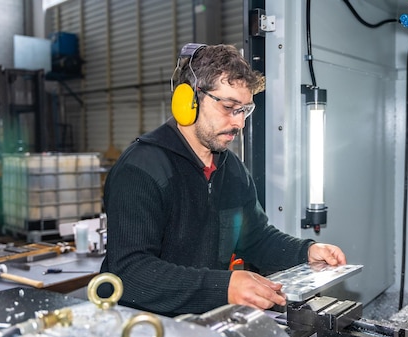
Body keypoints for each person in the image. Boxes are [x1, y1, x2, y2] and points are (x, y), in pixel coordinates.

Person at [100, 43, 346, 317]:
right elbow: (130, 274)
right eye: (229, 107)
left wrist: (305, 252)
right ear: (189, 101)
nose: (239, 123)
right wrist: (223, 286)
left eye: (244, 110)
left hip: (198, 323)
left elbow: (255, 238)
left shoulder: (232, 170)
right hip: (139, 329)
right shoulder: (141, 169)